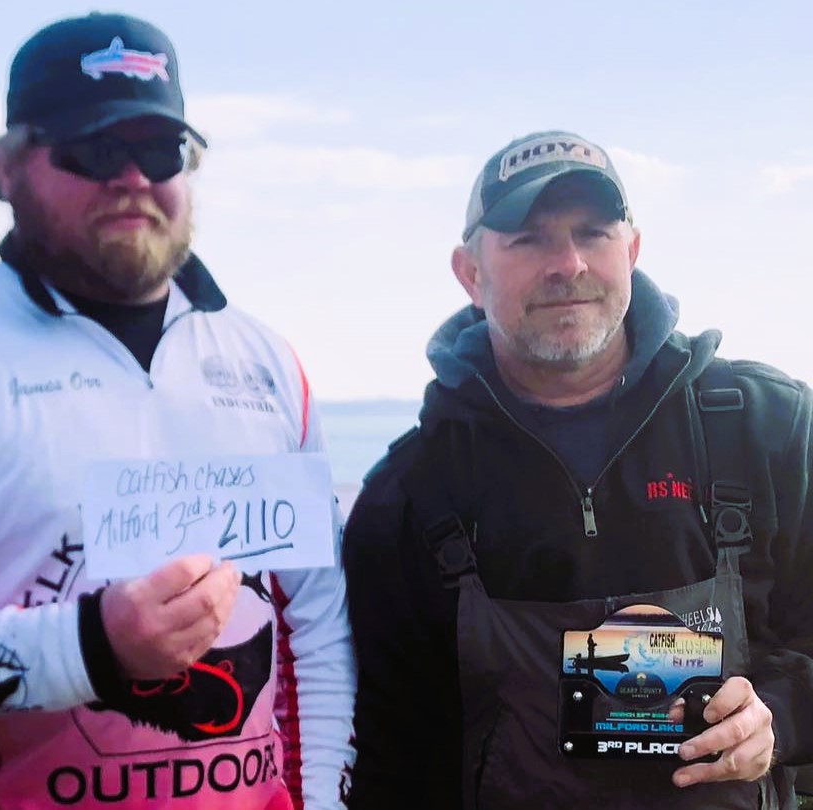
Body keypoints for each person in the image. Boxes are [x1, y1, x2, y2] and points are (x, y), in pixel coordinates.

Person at [0, 11, 355, 809]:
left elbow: (316, 629)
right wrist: (92, 647)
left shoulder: (269, 366)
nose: (130, 176)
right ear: (4, 169)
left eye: (159, 149)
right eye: (92, 147)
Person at [343, 130, 813, 809]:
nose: (567, 263)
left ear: (634, 249)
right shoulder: (407, 496)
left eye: (594, 232)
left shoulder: (768, 430)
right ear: (470, 272)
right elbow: (393, 761)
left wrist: (777, 716)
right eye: (528, 240)